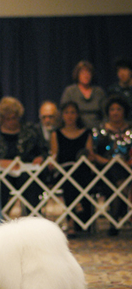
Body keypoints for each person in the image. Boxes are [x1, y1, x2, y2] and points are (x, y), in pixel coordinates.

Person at [0, 97, 47, 214]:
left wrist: (40, 158)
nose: (11, 121)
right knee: (1, 183)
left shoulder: (31, 131)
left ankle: (33, 216)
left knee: (30, 181)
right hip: (3, 174)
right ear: (1, 119)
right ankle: (0, 218)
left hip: (27, 171)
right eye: (7, 119)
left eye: (14, 118)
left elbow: (44, 150)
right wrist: (0, 162)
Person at [50, 101, 95, 238]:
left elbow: (90, 155)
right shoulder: (56, 134)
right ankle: (76, 209)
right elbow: (55, 156)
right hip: (63, 171)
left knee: (77, 174)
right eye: (67, 112)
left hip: (82, 171)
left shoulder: (86, 133)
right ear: (62, 115)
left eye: (73, 112)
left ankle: (72, 220)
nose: (70, 116)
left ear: (78, 115)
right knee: (69, 177)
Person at [93, 95, 132, 236]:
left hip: (129, 167)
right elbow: (93, 153)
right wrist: (109, 162)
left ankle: (116, 219)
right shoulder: (100, 130)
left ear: (124, 111)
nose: (115, 112)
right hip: (104, 169)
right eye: (112, 109)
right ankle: (117, 217)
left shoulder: (130, 130)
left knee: (122, 176)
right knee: (117, 174)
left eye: (119, 109)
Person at [60, 60, 106, 129]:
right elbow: (64, 111)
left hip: (97, 128)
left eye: (88, 72)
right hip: (76, 128)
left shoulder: (99, 92)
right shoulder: (70, 91)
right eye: (83, 73)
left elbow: (106, 113)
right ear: (77, 74)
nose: (86, 75)